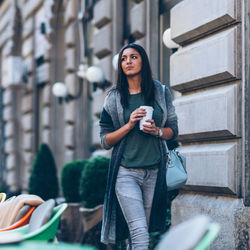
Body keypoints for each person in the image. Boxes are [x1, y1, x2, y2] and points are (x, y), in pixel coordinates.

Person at [99, 43, 178, 249]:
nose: (128, 62)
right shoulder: (114, 97)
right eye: (124, 59)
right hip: (125, 173)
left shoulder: (160, 92)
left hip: (154, 172)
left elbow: (173, 130)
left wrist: (158, 131)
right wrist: (129, 124)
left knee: (138, 234)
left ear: (143, 60)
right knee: (139, 231)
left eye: (133, 57)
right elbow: (105, 140)